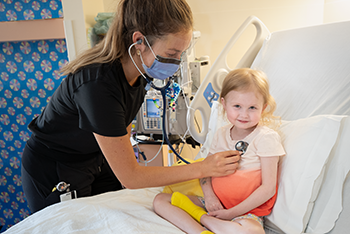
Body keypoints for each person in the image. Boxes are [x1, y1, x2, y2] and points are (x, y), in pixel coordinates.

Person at [21, 0, 240, 214]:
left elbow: (121, 133)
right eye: (172, 54)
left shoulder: (138, 75)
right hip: (56, 167)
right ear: (139, 42)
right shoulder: (97, 85)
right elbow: (131, 177)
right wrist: (202, 168)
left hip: (95, 159)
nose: (176, 62)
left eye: (181, 53)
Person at [153, 68, 286, 234]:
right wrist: (209, 198)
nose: (244, 114)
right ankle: (202, 229)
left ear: (263, 107)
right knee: (160, 200)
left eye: (252, 107)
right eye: (237, 106)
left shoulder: (266, 138)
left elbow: (268, 189)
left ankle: (204, 220)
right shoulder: (221, 134)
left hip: (245, 213)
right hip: (213, 204)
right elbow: (205, 171)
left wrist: (230, 213)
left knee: (252, 232)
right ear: (224, 103)